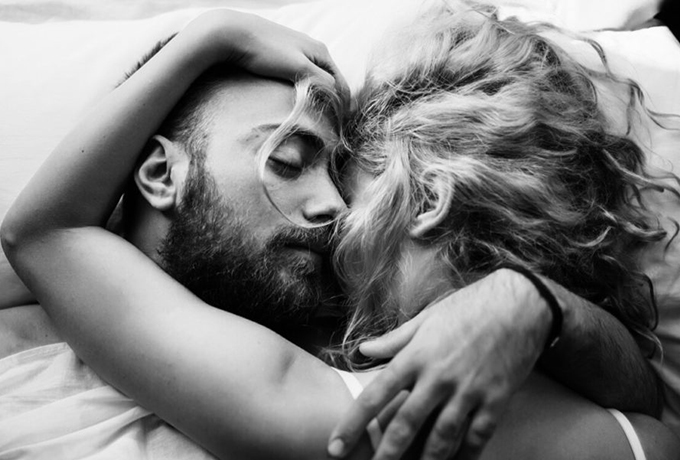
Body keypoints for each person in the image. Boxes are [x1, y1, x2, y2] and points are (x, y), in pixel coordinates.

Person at [1, 4, 677, 460]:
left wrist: (531, 302)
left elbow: (44, 233)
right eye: (287, 160)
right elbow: (648, 421)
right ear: (158, 172)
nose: (330, 210)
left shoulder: (344, 382)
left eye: (340, 180)